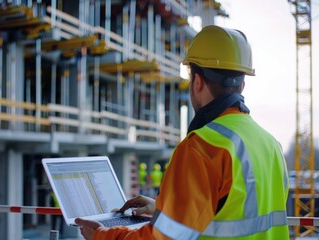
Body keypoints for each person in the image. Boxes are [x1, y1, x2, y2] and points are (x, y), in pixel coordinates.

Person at [75, 25, 290, 239]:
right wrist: (164, 208)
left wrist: (102, 235)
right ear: (242, 85)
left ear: (197, 82)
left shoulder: (203, 147)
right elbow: (232, 209)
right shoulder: (271, 145)